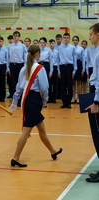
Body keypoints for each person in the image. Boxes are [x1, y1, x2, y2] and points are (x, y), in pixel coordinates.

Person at [9, 45, 62, 167]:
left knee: (41, 128)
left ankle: (53, 151)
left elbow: (18, 88)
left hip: (27, 99)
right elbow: (44, 87)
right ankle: (15, 158)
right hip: (34, 100)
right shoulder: (39, 68)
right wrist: (45, 100)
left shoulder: (24, 68)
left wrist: (14, 102)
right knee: (26, 131)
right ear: (38, 53)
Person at [85, 23, 99, 182]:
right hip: (95, 92)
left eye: (91, 34)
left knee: (97, 133)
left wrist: (96, 101)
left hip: (97, 96)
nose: (89, 37)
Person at [57, 33, 77, 108]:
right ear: (62, 39)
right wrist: (58, 71)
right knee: (62, 86)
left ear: (69, 39)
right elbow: (58, 59)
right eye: (64, 37)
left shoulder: (72, 48)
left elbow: (74, 59)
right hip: (62, 67)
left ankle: (68, 102)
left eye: (67, 37)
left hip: (70, 67)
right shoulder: (59, 48)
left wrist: (74, 70)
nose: (66, 39)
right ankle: (64, 102)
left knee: (69, 86)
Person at [7, 31, 26, 97]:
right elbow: (8, 58)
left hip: (20, 65)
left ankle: (21, 98)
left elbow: (25, 57)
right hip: (12, 65)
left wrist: (25, 67)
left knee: (20, 82)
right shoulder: (9, 46)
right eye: (14, 35)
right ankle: (14, 98)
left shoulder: (22, 46)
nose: (15, 37)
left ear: (19, 37)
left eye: (17, 35)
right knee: (13, 82)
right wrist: (8, 68)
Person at [38, 37, 53, 107]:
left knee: (45, 84)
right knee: (38, 83)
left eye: (43, 42)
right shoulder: (37, 50)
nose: (42, 44)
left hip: (46, 66)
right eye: (41, 42)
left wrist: (51, 71)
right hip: (39, 66)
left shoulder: (49, 50)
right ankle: (39, 100)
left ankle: (45, 100)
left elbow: (51, 61)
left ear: (45, 43)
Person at [72, 36, 86, 104]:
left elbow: (83, 59)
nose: (75, 41)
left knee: (79, 83)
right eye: (74, 40)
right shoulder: (71, 48)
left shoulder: (81, 49)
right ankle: (73, 98)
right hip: (72, 64)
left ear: (78, 41)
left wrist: (83, 69)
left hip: (79, 64)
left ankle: (78, 98)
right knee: (73, 83)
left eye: (76, 40)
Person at [47, 39, 58, 103]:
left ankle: (54, 98)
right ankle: (49, 97)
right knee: (49, 83)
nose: (51, 44)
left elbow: (58, 61)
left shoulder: (57, 52)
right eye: (50, 43)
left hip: (55, 67)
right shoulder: (48, 51)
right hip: (49, 67)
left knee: (55, 83)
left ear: (55, 44)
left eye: (53, 43)